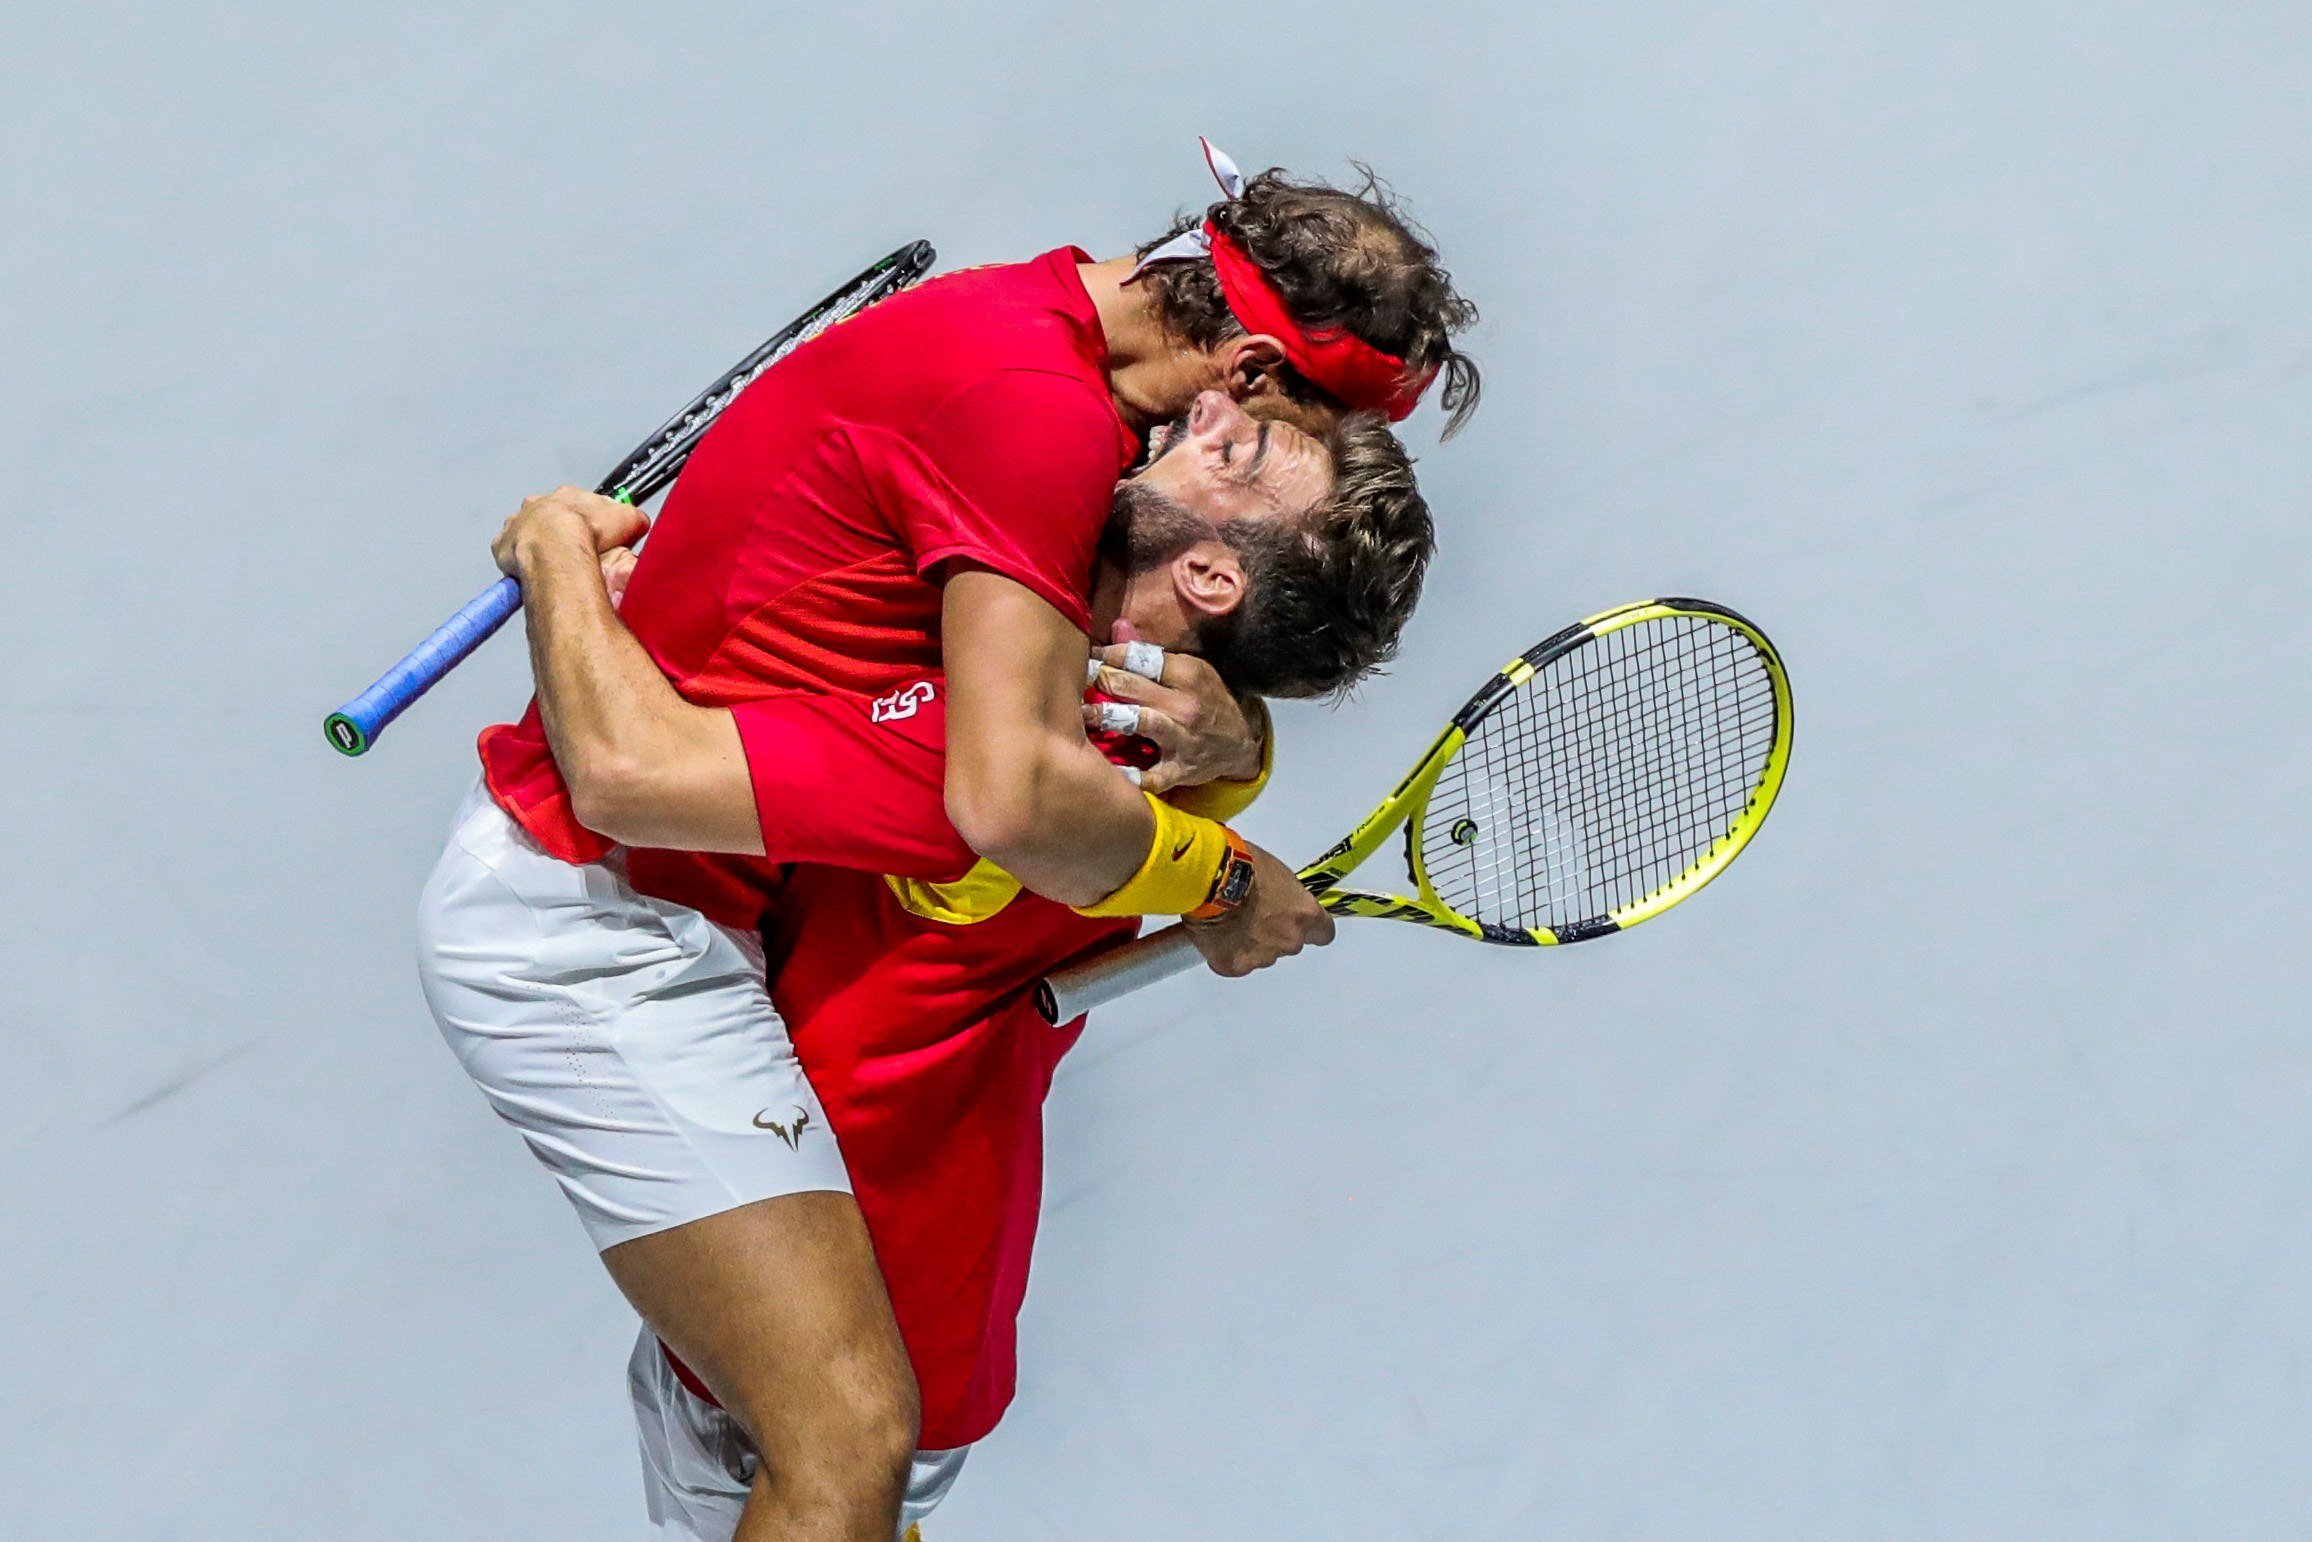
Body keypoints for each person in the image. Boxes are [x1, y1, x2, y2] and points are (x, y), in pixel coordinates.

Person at [418, 146, 1475, 1542]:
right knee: (850, 1434)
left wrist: (1226, 762)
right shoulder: (1036, 479)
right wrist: (1226, 871)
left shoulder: (1039, 363)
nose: (1256, 436)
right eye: (1307, 424)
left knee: (845, 1444)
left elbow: (1015, 757)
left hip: (694, 929)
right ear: (1256, 368)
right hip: (596, 926)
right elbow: (992, 800)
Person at [617, 397, 1434, 1539]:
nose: (1199, 413)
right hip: (819, 1260)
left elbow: (992, 834)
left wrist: (1229, 869)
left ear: (1206, 577)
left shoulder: (1059, 777)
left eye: (1235, 450)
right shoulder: (1141, 736)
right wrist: (1238, 798)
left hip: (852, 1308)